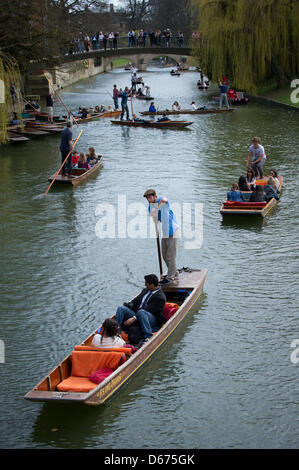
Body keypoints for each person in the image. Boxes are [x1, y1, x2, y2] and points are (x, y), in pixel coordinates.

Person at [115, 274, 166, 344]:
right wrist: (129, 305)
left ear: (152, 285)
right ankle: (116, 332)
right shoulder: (145, 290)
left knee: (141, 312)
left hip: (151, 319)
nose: (145, 285)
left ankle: (148, 336)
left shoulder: (160, 297)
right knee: (121, 308)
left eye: (146, 284)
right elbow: (135, 301)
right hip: (138, 314)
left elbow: (148, 309)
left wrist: (134, 318)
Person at [144, 189, 179, 284]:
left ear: (155, 196)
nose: (149, 200)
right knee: (164, 256)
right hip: (165, 232)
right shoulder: (150, 207)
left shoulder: (161, 201)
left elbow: (164, 200)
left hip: (172, 231)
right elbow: (155, 219)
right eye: (147, 198)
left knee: (171, 256)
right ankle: (174, 272)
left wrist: (157, 208)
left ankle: (170, 277)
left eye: (150, 197)